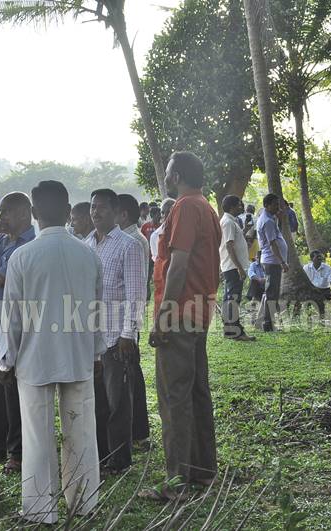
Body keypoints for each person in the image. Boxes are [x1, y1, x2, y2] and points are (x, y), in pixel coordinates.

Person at [0, 181, 103, 524]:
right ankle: (84, 501)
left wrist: (5, 360)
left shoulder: (22, 256)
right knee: (82, 430)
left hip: (34, 358)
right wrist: (96, 353)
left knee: (37, 435)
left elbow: (12, 315)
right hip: (77, 354)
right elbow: (97, 309)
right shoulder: (87, 252)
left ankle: (41, 509)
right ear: (69, 208)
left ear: (35, 213)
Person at [145, 152, 220, 500]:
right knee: (194, 392)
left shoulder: (185, 207)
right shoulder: (206, 207)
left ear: (176, 176)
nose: (166, 178)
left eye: (168, 172)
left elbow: (178, 264)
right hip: (199, 311)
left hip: (179, 315)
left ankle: (176, 484)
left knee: (174, 397)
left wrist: (163, 315)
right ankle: (202, 471)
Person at [85, 189, 145, 474]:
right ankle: (101, 456)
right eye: (93, 207)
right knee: (97, 402)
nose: (95, 212)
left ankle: (120, 460)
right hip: (91, 337)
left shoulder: (128, 245)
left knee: (118, 402)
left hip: (115, 337)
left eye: (102, 208)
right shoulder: (86, 244)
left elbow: (136, 295)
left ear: (115, 210)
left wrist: (128, 335)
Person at [0, 192, 36, 474]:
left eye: (6, 213)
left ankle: (18, 452)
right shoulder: (0, 241)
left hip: (18, 327)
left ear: (24, 213)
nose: (1, 219)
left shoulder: (30, 246)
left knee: (14, 393)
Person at [116, 194, 151, 447]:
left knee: (130, 376)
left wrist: (129, 329)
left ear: (123, 215)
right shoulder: (133, 238)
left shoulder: (132, 241)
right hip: (124, 319)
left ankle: (137, 432)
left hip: (125, 320)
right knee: (130, 374)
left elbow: (136, 290)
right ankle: (137, 431)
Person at [220, 195, 254, 341]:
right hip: (233, 267)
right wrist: (239, 268)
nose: (242, 207)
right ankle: (236, 331)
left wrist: (245, 228)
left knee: (230, 299)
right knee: (233, 299)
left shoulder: (231, 221)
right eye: (239, 205)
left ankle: (229, 329)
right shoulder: (227, 222)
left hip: (232, 266)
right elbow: (229, 245)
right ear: (232, 206)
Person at [256, 193, 289, 332]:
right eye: (275, 204)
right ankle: (268, 324)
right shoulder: (268, 221)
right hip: (272, 261)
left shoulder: (269, 218)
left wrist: (278, 218)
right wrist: (282, 261)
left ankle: (263, 321)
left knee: (271, 292)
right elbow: (272, 243)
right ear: (266, 205)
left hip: (271, 260)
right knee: (272, 293)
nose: (278, 207)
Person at [303, 250, 331, 316]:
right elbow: (303, 281)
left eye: (320, 256)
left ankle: (324, 311)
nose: (320, 258)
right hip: (311, 290)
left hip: (324, 290)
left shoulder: (327, 268)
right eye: (317, 257)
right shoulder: (306, 268)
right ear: (312, 259)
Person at [150, 199, 175, 263]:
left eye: (170, 212)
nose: (166, 216)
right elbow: (157, 260)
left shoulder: (186, 232)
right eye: (163, 212)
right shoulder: (155, 236)